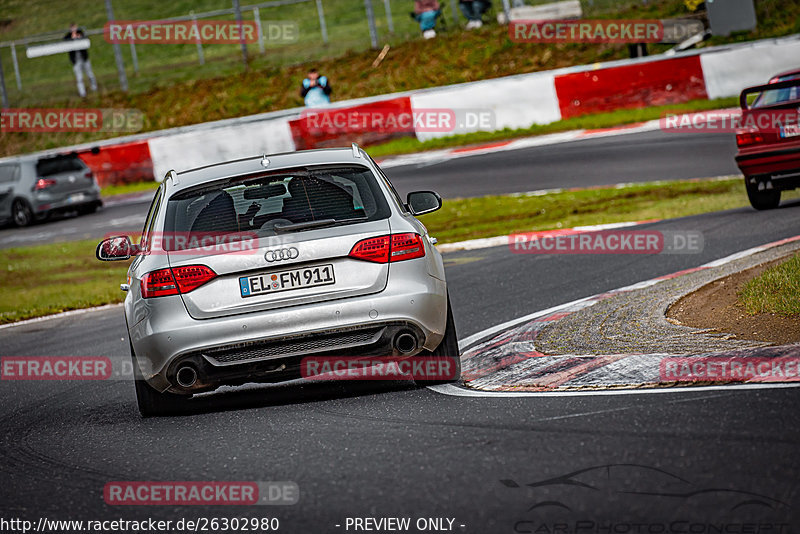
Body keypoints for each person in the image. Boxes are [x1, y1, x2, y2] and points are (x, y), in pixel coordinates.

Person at [64, 23, 97, 98]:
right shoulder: (68, 36)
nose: (74, 29)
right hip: (76, 60)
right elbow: (64, 41)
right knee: (79, 77)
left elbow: (86, 40)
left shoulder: (80, 33)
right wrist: (72, 38)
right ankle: (82, 93)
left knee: (90, 74)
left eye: (75, 27)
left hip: (84, 58)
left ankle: (94, 87)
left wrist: (79, 37)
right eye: (72, 28)